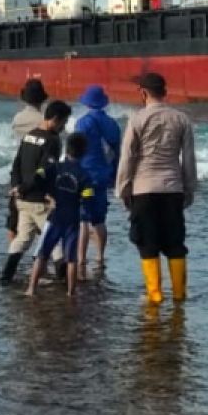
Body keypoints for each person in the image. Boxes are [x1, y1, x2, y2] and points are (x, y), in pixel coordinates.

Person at [116, 73, 197, 304]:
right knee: (175, 244)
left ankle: (155, 296)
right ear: (165, 92)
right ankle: (180, 296)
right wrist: (189, 189)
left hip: (144, 189)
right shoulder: (181, 119)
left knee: (147, 243)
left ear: (143, 93)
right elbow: (189, 159)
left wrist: (123, 188)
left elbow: (127, 158)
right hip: (172, 189)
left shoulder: (137, 119)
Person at [0, 100, 72, 285]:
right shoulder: (53, 141)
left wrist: (17, 187)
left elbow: (16, 164)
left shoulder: (29, 136)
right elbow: (44, 171)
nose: (64, 127)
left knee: (22, 238)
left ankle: (5, 277)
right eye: (64, 122)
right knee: (54, 239)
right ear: (56, 119)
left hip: (22, 199)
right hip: (40, 200)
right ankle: (62, 279)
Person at [26, 132, 94, 297]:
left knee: (43, 253)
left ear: (66, 150)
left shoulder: (55, 168)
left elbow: (38, 176)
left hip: (55, 216)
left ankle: (31, 289)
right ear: (84, 152)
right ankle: (71, 292)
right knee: (71, 258)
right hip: (72, 218)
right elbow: (88, 198)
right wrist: (85, 209)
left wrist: (46, 194)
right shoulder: (85, 175)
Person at [74, 84, 122, 276]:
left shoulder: (83, 123)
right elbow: (117, 150)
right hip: (104, 176)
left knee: (83, 219)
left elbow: (77, 150)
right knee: (100, 219)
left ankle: (81, 259)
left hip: (86, 175)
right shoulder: (112, 123)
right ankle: (100, 257)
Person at [7, 79, 48, 247]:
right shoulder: (43, 120)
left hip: (18, 170)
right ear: (42, 99)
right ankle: (41, 259)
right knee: (41, 219)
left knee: (13, 221)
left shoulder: (17, 119)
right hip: (38, 170)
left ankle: (12, 255)